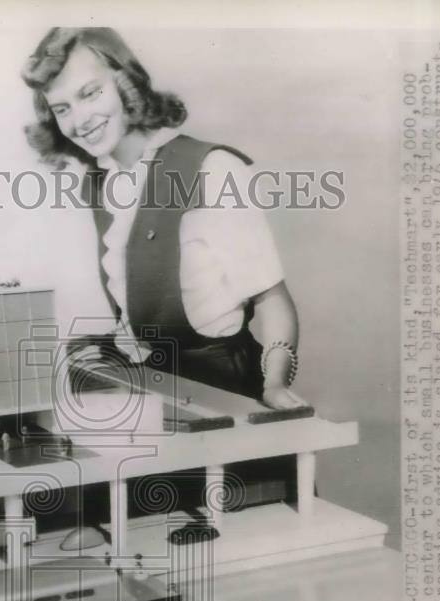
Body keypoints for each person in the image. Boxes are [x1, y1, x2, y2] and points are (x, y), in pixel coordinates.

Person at [20, 27, 307, 411]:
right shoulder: (100, 183)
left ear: (126, 85)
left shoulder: (212, 169)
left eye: (90, 93)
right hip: (154, 390)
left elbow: (273, 301)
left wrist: (273, 385)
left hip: (225, 390)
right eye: (61, 108)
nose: (79, 120)